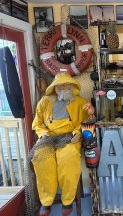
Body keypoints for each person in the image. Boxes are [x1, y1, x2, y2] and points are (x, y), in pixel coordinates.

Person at [31, 73, 94, 216]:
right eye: (61, 85)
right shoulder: (44, 102)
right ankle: (46, 202)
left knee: (69, 158)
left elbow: (87, 120)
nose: (64, 87)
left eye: (67, 85)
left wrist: (78, 131)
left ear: (72, 86)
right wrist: (42, 134)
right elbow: (37, 123)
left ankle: (67, 201)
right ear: (55, 87)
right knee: (41, 158)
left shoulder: (79, 102)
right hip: (48, 138)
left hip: (69, 138)